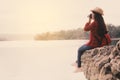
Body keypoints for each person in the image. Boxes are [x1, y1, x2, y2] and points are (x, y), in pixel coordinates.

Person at [72, 7, 111, 73]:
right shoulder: (101, 23)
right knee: (83, 47)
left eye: (92, 14)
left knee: (79, 50)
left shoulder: (94, 23)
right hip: (99, 43)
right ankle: (77, 62)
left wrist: (89, 20)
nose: (91, 15)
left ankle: (79, 67)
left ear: (95, 15)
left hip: (94, 44)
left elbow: (85, 29)